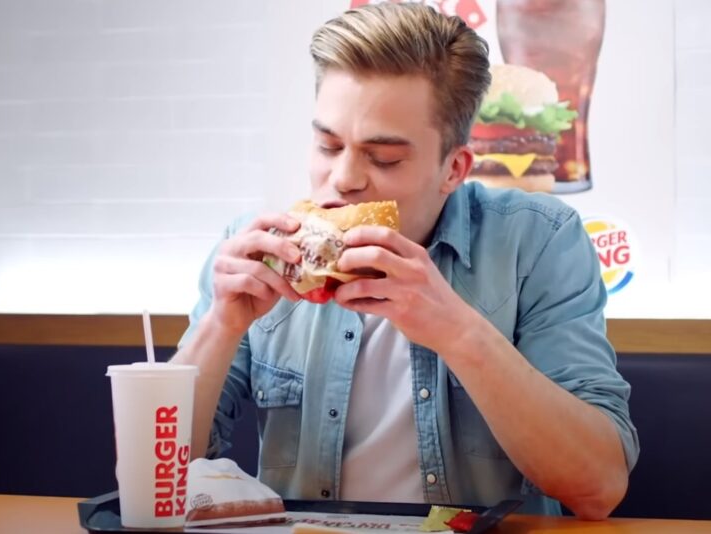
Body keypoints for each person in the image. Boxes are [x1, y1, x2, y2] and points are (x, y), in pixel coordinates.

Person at [173, 2, 638, 520]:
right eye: (328, 146)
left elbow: (598, 487)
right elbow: (156, 474)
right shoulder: (251, 251)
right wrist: (220, 325)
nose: (345, 178)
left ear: (453, 168)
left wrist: (458, 332)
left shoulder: (538, 242)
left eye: (384, 158)